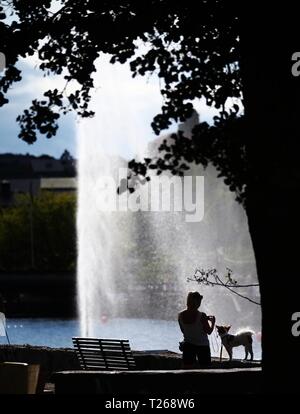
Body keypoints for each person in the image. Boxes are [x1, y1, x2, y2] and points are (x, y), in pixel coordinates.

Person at [178, 291, 215, 368]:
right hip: (203, 346)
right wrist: (213, 322)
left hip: (188, 345)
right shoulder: (202, 315)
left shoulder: (180, 315)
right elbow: (209, 332)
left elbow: (183, 331)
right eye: (199, 301)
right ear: (197, 302)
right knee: (206, 370)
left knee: (187, 370)